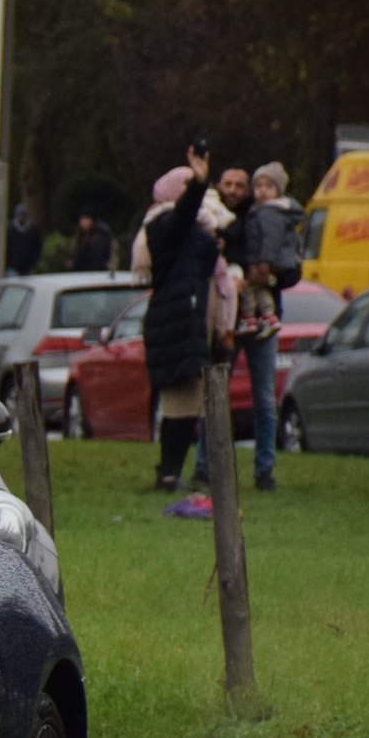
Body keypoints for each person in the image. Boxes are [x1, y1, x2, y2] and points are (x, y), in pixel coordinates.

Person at [134, 147, 234, 492]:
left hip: (189, 321)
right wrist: (200, 179)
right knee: (180, 402)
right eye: (190, 186)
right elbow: (184, 215)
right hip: (175, 322)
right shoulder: (164, 224)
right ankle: (169, 473)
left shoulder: (193, 227)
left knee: (189, 403)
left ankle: (170, 470)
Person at [227, 163, 297, 492]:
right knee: (215, 392)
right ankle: (207, 465)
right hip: (232, 316)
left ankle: (264, 469)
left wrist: (272, 274)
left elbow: (293, 265)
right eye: (232, 184)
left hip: (263, 312)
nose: (236, 190)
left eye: (241, 185)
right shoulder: (232, 221)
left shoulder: (271, 216)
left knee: (265, 399)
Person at [4, 203, 41, 276]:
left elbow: (37, 247)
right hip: (12, 267)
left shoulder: (33, 230)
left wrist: (32, 261)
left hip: (27, 268)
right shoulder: (9, 230)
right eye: (20, 216)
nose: (22, 218)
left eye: (24, 216)